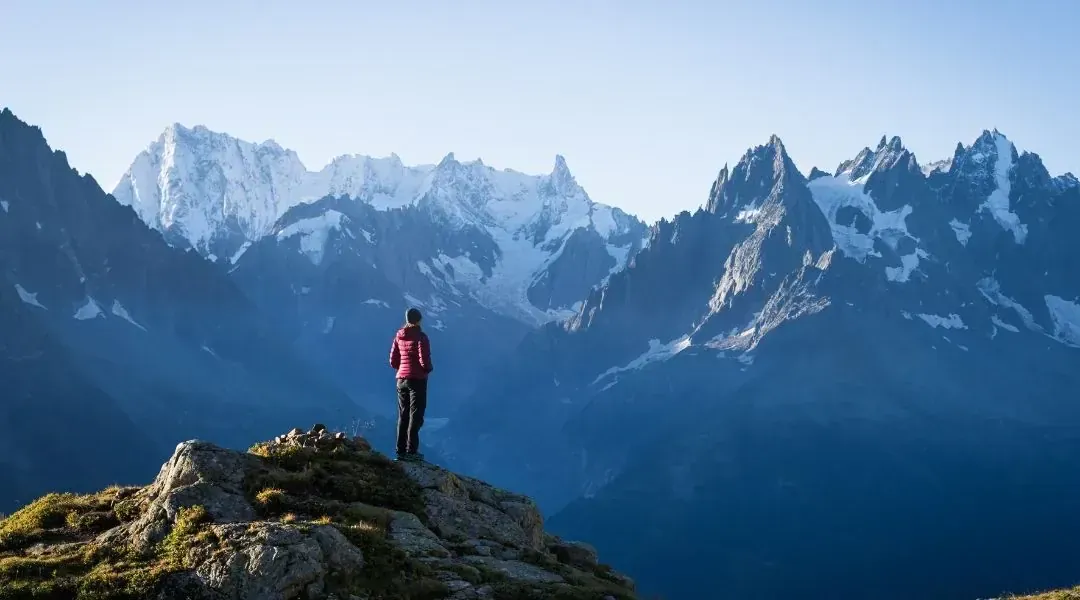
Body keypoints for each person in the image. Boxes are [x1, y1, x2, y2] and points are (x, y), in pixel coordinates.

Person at [389, 307, 433, 462]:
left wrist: (402, 369)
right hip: (417, 381)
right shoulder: (421, 337)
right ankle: (411, 451)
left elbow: (393, 360)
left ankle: (400, 451)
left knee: (403, 415)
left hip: (401, 380)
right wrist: (428, 369)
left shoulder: (399, 336)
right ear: (419, 320)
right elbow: (424, 359)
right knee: (416, 415)